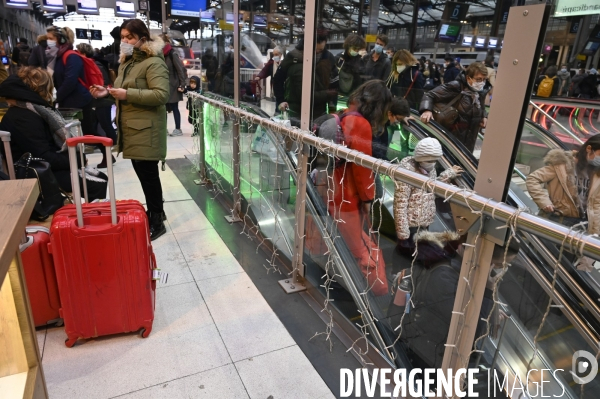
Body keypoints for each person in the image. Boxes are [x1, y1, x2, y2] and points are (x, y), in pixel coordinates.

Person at [90, 19, 170, 241]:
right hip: (132, 127)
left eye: (129, 37)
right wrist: (108, 92)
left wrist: (128, 95)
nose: (124, 41)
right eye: (122, 37)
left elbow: (161, 95)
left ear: (142, 39)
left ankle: (157, 220)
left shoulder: (153, 63)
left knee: (149, 176)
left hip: (146, 129)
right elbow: (125, 88)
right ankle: (156, 212)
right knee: (144, 175)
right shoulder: (127, 62)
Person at [401, 232, 520, 368]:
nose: (500, 269)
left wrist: (488, 313)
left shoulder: (469, 272)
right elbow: (470, 331)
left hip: (446, 349)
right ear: (484, 257)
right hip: (429, 354)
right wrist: (488, 290)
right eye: (499, 265)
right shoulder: (444, 277)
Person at [0, 67, 106, 201]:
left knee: (99, 179)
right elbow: (42, 155)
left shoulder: (30, 110)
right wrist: (76, 160)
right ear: (39, 89)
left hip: (41, 168)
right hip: (35, 173)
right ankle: (92, 218)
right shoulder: (23, 116)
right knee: (96, 184)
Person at [329, 80, 392, 296]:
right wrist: (368, 199)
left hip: (332, 186)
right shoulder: (361, 124)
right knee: (357, 246)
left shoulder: (344, 114)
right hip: (346, 194)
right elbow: (362, 167)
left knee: (340, 237)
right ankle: (374, 288)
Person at [394, 138, 462, 255]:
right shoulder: (406, 174)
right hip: (411, 225)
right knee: (407, 251)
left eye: (435, 160)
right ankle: (399, 270)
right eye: (429, 160)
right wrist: (403, 234)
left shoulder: (429, 169)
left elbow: (433, 186)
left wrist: (449, 173)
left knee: (420, 251)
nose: (432, 163)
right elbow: (400, 204)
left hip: (424, 221)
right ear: (420, 159)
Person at [526, 135, 600, 233]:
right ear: (589, 148)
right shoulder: (562, 164)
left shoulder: (596, 173)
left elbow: (596, 204)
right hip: (558, 220)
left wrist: (595, 232)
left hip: (584, 224)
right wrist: (544, 202)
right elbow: (533, 179)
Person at [420, 62, 488, 153]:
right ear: (468, 78)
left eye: (484, 80)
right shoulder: (456, 86)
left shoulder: (479, 92)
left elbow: (481, 106)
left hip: (469, 141)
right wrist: (426, 110)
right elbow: (430, 95)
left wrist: (484, 116)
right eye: (479, 79)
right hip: (450, 139)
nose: (482, 83)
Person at [46, 26, 97, 140]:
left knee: (87, 132)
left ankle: (106, 153)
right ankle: (80, 157)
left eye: (51, 38)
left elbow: (70, 81)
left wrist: (56, 97)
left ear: (61, 40)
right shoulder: (57, 56)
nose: (48, 41)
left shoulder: (71, 56)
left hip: (79, 101)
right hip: (68, 101)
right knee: (74, 134)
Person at [274, 34, 336, 119]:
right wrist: (281, 100)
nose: (317, 52)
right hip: (296, 110)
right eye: (315, 49)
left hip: (319, 111)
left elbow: (333, 82)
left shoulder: (328, 57)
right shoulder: (293, 57)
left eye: (321, 50)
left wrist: (332, 106)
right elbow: (278, 79)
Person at [76, 42, 116, 168]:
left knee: (106, 125)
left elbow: (103, 82)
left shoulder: (95, 64)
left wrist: (98, 90)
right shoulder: (90, 64)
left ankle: (112, 148)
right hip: (97, 100)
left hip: (102, 100)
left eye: (78, 51)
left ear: (83, 52)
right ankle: (108, 151)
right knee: (98, 125)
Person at [161, 34, 187, 136]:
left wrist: (182, 84)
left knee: (174, 107)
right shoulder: (160, 54)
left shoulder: (172, 54)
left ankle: (178, 129)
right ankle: (164, 129)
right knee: (163, 108)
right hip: (163, 85)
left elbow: (180, 70)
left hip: (173, 85)